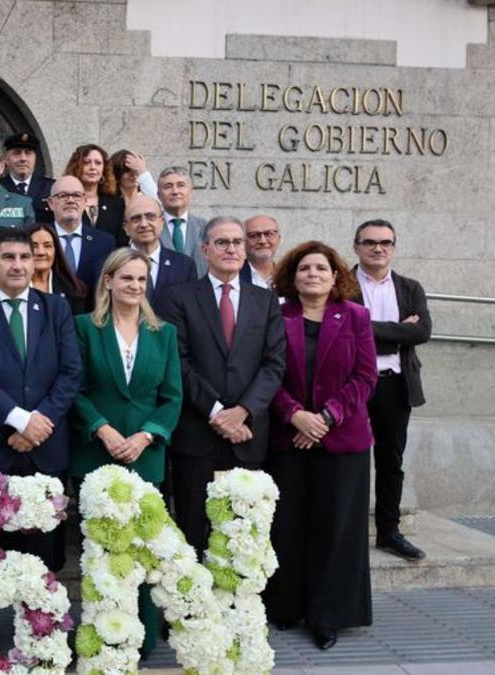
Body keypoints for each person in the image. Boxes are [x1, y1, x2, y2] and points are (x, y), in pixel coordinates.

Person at [0, 227, 81, 658]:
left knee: (41, 549)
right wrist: (19, 419)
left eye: (25, 257)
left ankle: (40, 630)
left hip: (45, 447)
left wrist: (38, 423)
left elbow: (70, 374)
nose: (18, 265)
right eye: (8, 257)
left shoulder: (56, 308)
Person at [263, 241, 376, 651]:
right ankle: (287, 607)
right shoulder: (275, 316)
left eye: (321, 269)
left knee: (335, 529)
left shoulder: (357, 317)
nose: (313, 274)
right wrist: (295, 414)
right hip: (288, 438)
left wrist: (324, 418)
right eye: (305, 268)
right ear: (292, 276)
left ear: (335, 276)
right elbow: (267, 373)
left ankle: (328, 616)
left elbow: (365, 378)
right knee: (289, 526)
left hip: (342, 441)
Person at [71, 247, 183, 659]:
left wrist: (146, 437)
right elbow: (76, 390)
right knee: (101, 553)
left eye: (141, 279)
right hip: (98, 455)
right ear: (109, 281)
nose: (135, 286)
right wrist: (102, 429)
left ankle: (142, 636)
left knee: (140, 550)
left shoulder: (163, 333)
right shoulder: (85, 328)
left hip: (145, 457)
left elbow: (171, 397)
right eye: (127, 278)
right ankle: (102, 635)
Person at [159, 216, 285, 555]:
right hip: (197, 433)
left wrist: (242, 413)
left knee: (242, 537)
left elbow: (274, 364)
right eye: (222, 242)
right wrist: (218, 412)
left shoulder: (266, 300)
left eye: (237, 242)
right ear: (205, 249)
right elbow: (178, 362)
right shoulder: (179, 297)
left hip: (248, 435)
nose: (231, 248)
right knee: (194, 533)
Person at [352, 219, 431, 562]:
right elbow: (342, 329)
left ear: (394, 248)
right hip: (353, 385)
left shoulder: (411, 288)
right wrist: (399, 330)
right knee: (349, 460)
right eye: (369, 242)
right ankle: (349, 532)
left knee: (390, 460)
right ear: (356, 247)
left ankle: (389, 531)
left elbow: (422, 332)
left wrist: (367, 330)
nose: (378, 248)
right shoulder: (341, 283)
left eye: (385, 242)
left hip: (395, 384)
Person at [123, 194, 195, 312]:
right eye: (136, 218)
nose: (144, 224)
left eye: (150, 217)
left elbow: (190, 311)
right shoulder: (109, 264)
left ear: (162, 223)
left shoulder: (184, 265)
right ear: (126, 228)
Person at [48, 174, 116, 298]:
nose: (70, 200)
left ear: (85, 202)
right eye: (63, 196)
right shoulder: (39, 238)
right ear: (51, 203)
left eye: (76, 195)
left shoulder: (105, 242)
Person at [64, 144, 125, 240]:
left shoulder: (115, 203)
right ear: (76, 167)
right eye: (87, 162)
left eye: (98, 163)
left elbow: (121, 240)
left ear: (104, 169)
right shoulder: (65, 200)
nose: (93, 167)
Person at [26, 222, 88, 315]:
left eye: (47, 246)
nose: (41, 252)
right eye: (34, 246)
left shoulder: (72, 289)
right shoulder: (13, 287)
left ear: (56, 250)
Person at [157, 166, 208, 275]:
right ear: (159, 195)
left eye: (181, 185)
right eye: (168, 187)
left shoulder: (206, 227)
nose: (175, 191)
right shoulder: (152, 227)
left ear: (191, 191)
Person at [0, 131, 55, 225]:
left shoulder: (51, 188)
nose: (23, 158)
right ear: (6, 159)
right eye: (17, 153)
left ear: (35, 158)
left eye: (28, 153)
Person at [242, 215, 281, 290]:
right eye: (254, 235)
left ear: (278, 239)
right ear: (243, 241)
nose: (263, 241)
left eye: (269, 234)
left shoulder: (290, 277)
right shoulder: (233, 277)